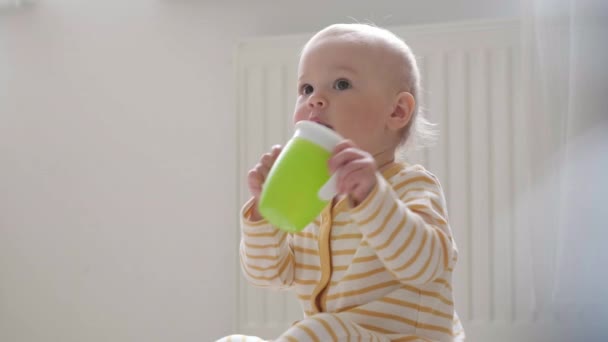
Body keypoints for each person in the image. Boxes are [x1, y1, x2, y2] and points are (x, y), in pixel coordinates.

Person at [219, 23, 463, 342]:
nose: (315, 99)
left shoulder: (410, 185)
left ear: (397, 111)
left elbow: (424, 265)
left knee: (321, 328)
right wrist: (266, 213)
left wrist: (373, 199)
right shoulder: (313, 195)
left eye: (341, 84)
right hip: (337, 336)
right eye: (306, 89)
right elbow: (268, 274)